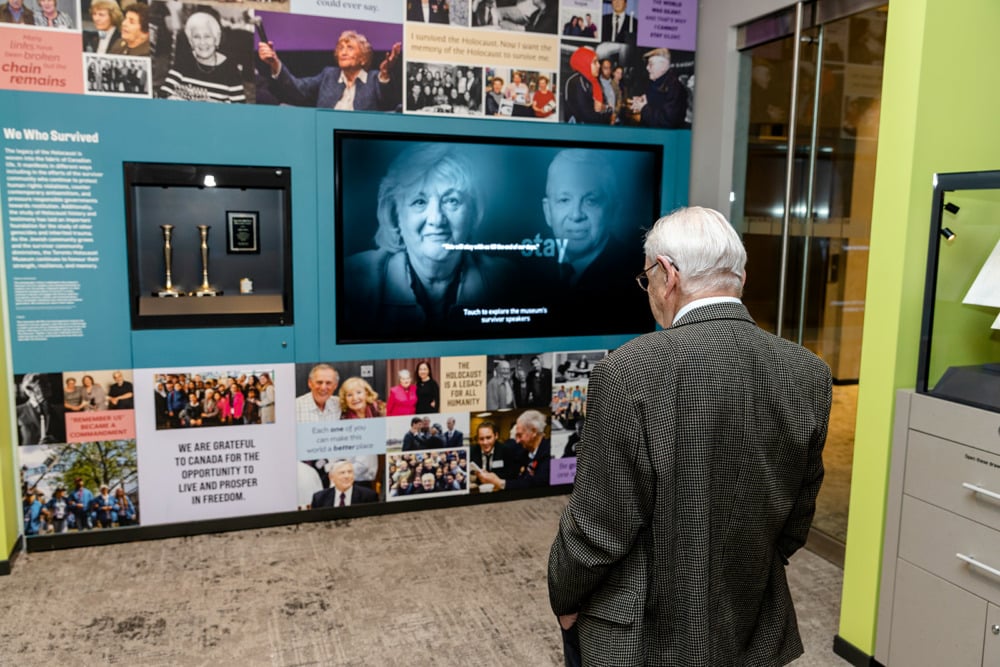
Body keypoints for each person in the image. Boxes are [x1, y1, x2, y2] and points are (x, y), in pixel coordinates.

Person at [547, 206, 832, 666]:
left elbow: (599, 528)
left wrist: (564, 596)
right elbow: (798, 513)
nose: (650, 293)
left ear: (667, 273)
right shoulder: (809, 372)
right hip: (751, 623)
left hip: (641, 636)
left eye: (647, 280)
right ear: (740, 275)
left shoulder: (628, 371)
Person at [342, 143, 515, 338]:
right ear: (394, 214)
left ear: (474, 213)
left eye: (452, 201)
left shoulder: (508, 281)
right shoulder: (350, 281)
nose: (436, 219)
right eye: (419, 202)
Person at [541, 149, 652, 333]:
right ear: (548, 212)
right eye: (564, 200)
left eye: (591, 201)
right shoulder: (527, 273)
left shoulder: (636, 281)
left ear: (613, 211)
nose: (576, 215)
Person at [258, 30, 401, 111]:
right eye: (340, 48)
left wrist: (385, 73)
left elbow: (388, 100)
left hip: (361, 141)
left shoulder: (374, 79)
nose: (343, 52)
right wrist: (275, 63)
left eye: (350, 47)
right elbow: (298, 88)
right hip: (325, 134)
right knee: (284, 109)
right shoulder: (329, 75)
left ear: (363, 58)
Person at [160, 12, 245, 103]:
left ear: (217, 39)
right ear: (190, 41)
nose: (202, 42)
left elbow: (240, 110)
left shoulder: (230, 68)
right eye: (196, 37)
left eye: (207, 36)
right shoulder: (183, 61)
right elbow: (163, 96)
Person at [476, 410, 550, 490]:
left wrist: (500, 483)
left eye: (519, 435)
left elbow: (536, 484)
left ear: (534, 431)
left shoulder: (549, 454)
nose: (517, 441)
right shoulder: (524, 453)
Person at [630, 47, 688, 129]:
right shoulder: (658, 82)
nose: (647, 67)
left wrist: (643, 108)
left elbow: (667, 122)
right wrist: (643, 101)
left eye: (651, 64)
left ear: (663, 66)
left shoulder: (676, 89)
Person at [562, 46, 612, 125]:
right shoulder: (576, 82)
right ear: (585, 62)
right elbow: (587, 116)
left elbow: (606, 108)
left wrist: (604, 108)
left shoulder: (594, 81)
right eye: (595, 62)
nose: (599, 65)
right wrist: (605, 110)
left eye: (598, 62)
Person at [17, 373, 65, 446]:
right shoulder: (16, 412)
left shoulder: (61, 411)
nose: (49, 385)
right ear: (29, 389)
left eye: (48, 382)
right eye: (42, 383)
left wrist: (57, 443)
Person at [311, 460, 379, 508]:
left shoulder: (369, 496)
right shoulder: (319, 498)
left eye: (350, 472)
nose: (347, 476)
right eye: (342, 473)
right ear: (332, 477)